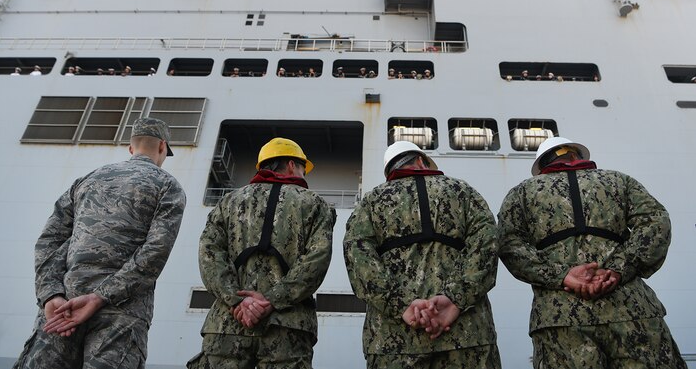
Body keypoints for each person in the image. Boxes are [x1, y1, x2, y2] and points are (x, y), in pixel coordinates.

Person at [497, 136, 687, 369]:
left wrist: (562, 276)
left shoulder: (521, 193)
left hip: (560, 317)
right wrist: (618, 269)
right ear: (575, 156)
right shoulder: (619, 181)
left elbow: (508, 244)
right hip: (632, 309)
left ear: (541, 169)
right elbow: (655, 222)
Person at [13, 117, 186, 369]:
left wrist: (50, 294)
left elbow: (50, 239)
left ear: (130, 148)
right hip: (121, 314)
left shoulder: (87, 179)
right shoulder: (168, 186)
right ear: (162, 147)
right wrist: (101, 296)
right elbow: (155, 251)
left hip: (63, 308)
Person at [344, 141, 501, 369]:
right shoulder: (462, 191)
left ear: (390, 171)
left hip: (392, 343)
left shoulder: (372, 201)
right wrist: (455, 298)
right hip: (468, 336)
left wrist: (401, 305)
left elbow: (357, 253)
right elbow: (488, 241)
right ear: (420, 161)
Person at [188, 137, 335, 369]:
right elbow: (317, 259)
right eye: (302, 167)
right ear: (290, 165)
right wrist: (272, 300)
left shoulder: (229, 201)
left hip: (227, 324)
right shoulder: (315, 204)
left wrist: (237, 301)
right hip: (288, 327)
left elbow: (209, 253)